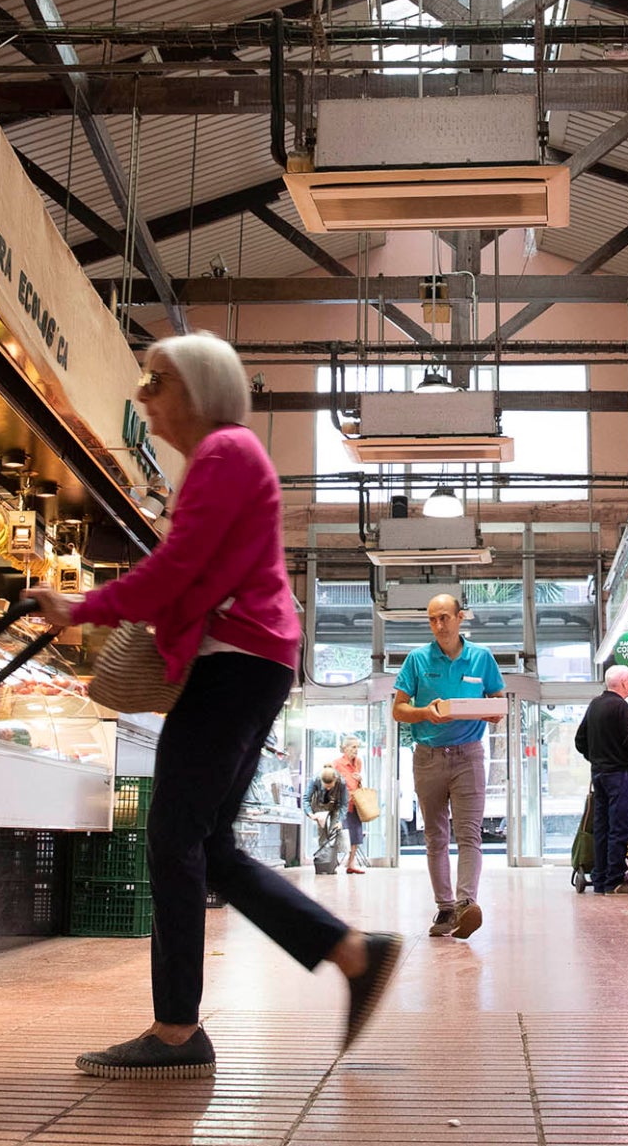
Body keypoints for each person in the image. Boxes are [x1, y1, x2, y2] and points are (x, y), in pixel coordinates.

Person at [32, 333, 398, 1079]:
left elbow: (179, 567)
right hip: (252, 661)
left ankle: (175, 1029)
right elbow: (190, 568)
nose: (143, 396)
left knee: (174, 837)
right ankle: (351, 953)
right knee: (210, 847)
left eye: (155, 380)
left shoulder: (225, 454)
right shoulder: (225, 458)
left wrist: (82, 607)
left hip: (235, 663)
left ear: (195, 389)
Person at [392, 593, 503, 938]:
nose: (439, 625)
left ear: (460, 618)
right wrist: (426, 712)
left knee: (469, 833)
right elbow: (399, 710)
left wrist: (476, 709)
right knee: (435, 836)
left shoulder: (482, 658)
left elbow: (499, 707)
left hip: (469, 755)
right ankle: (444, 909)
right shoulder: (417, 659)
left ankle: (466, 904)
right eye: (432, 619)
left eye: (444, 617)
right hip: (427, 756)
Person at [576, 666, 628, 894]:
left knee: (602, 827)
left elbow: (580, 740)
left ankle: (600, 880)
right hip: (619, 775)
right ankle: (615, 881)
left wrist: (596, 758)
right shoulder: (620, 706)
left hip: (599, 775)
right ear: (625, 683)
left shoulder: (595, 705)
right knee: (619, 827)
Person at [332, 734, 368, 873]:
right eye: (353, 747)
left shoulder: (358, 762)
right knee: (340, 833)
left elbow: (357, 782)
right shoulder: (336, 764)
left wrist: (360, 779)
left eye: (357, 747)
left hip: (356, 803)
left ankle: (351, 864)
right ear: (344, 748)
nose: (356, 750)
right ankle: (332, 862)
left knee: (356, 834)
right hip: (342, 804)